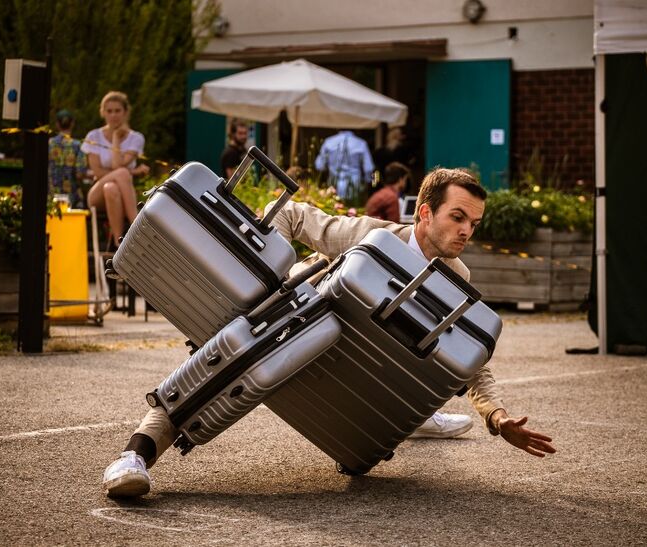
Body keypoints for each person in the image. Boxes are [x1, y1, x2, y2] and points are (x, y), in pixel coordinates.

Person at [101, 167, 556, 498]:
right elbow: (295, 216)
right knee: (230, 364)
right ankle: (134, 457)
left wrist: (496, 417)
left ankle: (417, 416)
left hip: (355, 367)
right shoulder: (371, 236)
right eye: (458, 217)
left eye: (473, 224)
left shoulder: (457, 274)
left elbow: (475, 359)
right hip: (297, 331)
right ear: (424, 212)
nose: (466, 231)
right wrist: (267, 286)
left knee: (412, 376)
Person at [82, 91, 150, 250]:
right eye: (109, 111)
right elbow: (98, 172)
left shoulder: (136, 138)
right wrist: (130, 172)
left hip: (118, 193)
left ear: (126, 112)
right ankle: (136, 223)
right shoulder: (93, 135)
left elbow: (115, 164)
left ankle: (118, 242)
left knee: (111, 188)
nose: (113, 115)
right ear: (103, 112)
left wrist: (116, 138)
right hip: (96, 195)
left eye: (117, 111)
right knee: (122, 173)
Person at [314, 130, 374, 203]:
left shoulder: (329, 141)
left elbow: (319, 166)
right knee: (353, 212)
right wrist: (367, 183)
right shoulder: (361, 143)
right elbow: (368, 168)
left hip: (333, 186)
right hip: (354, 187)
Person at [47, 109, 88, 209]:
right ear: (72, 123)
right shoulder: (77, 145)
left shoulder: (48, 144)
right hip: (72, 198)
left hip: (50, 195)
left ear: (57, 124)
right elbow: (80, 174)